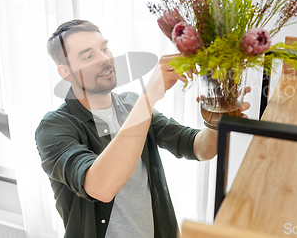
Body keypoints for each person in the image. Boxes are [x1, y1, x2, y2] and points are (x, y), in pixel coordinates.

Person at [35, 20, 250, 238]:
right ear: (66, 72)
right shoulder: (54, 127)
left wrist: (215, 123)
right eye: (88, 56)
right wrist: (150, 96)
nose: (105, 59)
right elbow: (101, 187)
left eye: (104, 48)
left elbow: (198, 148)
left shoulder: (132, 104)